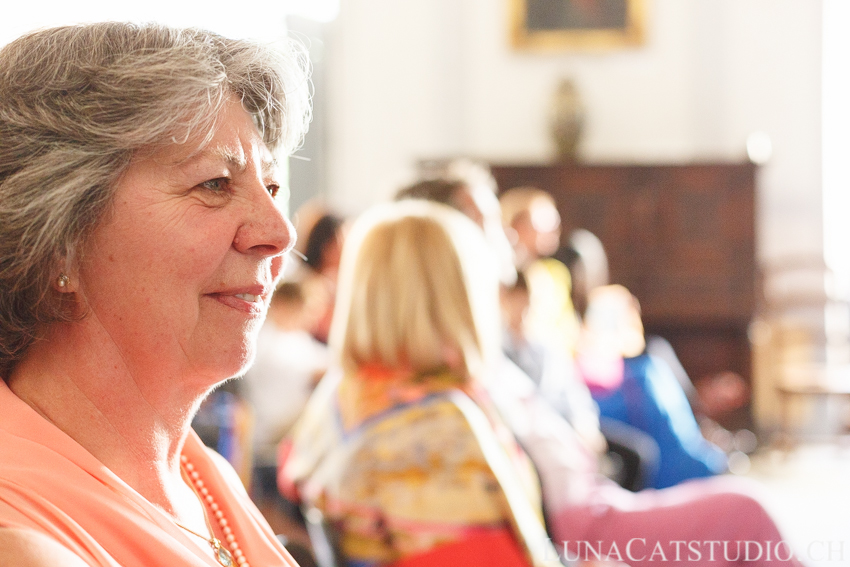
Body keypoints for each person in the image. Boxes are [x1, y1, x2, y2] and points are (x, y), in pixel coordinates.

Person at [282, 200, 804, 567]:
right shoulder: (435, 433)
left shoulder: (345, 396)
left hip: (577, 520)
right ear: (453, 294)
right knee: (747, 513)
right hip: (579, 529)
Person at [0, 22, 310, 567]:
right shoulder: (21, 536)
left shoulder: (200, 472)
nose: (278, 233)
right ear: (57, 245)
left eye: (272, 186)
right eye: (215, 184)